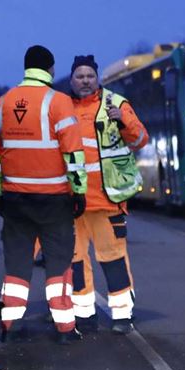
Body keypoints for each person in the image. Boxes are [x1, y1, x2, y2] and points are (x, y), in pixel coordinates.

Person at [0, 45, 88, 344]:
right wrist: (78, 192)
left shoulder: (2, 104)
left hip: (15, 200)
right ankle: (65, 328)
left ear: (26, 67)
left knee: (17, 264)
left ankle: (9, 326)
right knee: (58, 264)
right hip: (55, 199)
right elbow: (73, 154)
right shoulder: (59, 103)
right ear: (50, 69)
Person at [67, 55, 149, 335]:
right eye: (80, 76)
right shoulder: (63, 107)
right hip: (73, 201)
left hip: (106, 199)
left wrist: (124, 121)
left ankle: (122, 315)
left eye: (90, 75)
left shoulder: (116, 104)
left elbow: (140, 141)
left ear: (97, 78)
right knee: (76, 261)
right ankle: (84, 315)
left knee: (112, 258)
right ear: (71, 80)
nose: (85, 81)